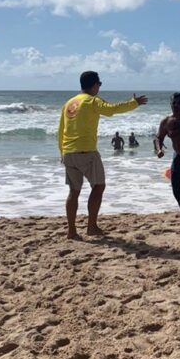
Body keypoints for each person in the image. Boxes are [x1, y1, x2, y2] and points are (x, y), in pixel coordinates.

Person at [58, 71, 148, 239]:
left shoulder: (69, 103)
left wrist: (61, 152)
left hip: (68, 153)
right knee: (99, 186)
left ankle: (72, 231)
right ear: (94, 85)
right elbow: (111, 109)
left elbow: (60, 130)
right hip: (87, 152)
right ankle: (91, 227)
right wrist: (133, 103)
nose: (99, 87)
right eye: (99, 84)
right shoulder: (92, 101)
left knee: (74, 192)